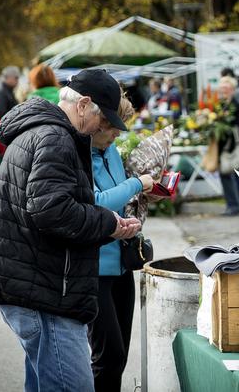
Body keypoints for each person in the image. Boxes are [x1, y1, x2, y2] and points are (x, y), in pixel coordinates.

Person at [0, 69, 142, 392]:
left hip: (34, 284)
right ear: (83, 104)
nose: (101, 127)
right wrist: (108, 223)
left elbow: (47, 205)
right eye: (103, 118)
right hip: (45, 291)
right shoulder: (56, 137)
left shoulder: (43, 132)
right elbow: (51, 210)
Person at [89, 93, 154, 391]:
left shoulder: (110, 149)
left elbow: (119, 198)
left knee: (120, 354)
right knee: (108, 356)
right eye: (113, 127)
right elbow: (98, 202)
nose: (117, 134)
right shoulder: (77, 153)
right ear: (96, 122)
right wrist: (137, 183)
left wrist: (144, 196)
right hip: (95, 268)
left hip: (121, 264)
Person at [215, 76, 239, 217]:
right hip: (221, 146)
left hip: (231, 146)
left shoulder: (237, 105)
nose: (224, 91)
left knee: (227, 174)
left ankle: (234, 205)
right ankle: (232, 204)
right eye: (222, 88)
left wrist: (224, 123)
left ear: (232, 90)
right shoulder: (219, 105)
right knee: (226, 175)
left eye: (226, 89)